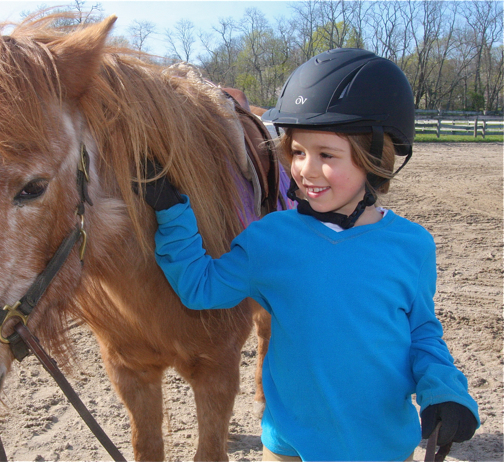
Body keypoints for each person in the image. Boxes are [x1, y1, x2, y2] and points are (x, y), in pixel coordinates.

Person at [137, 49, 479, 461]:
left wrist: (445, 390)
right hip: (290, 448)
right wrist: (173, 214)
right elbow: (200, 287)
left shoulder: (413, 246)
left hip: (383, 449)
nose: (306, 170)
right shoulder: (270, 238)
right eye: (298, 152)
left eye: (326, 155)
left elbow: (422, 331)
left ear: (376, 157)